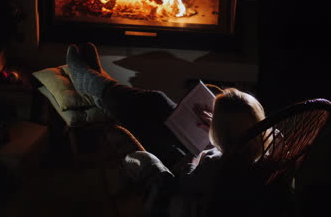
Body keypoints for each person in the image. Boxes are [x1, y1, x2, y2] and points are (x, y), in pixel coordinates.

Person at [66, 42, 271, 217]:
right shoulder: (266, 142)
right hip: (212, 145)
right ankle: (98, 81)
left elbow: (186, 183)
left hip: (179, 163)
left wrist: (197, 159)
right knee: (158, 100)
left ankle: (90, 81)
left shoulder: (214, 165)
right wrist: (215, 129)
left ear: (223, 133)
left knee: (144, 116)